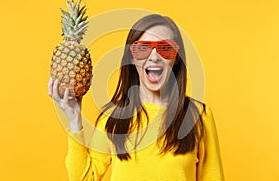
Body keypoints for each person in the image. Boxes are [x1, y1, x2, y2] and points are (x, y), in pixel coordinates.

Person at [48, 14, 225, 180]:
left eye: (165, 48)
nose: (154, 57)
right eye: (143, 49)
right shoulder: (113, 119)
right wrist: (74, 120)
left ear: (176, 58)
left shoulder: (199, 116)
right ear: (132, 59)